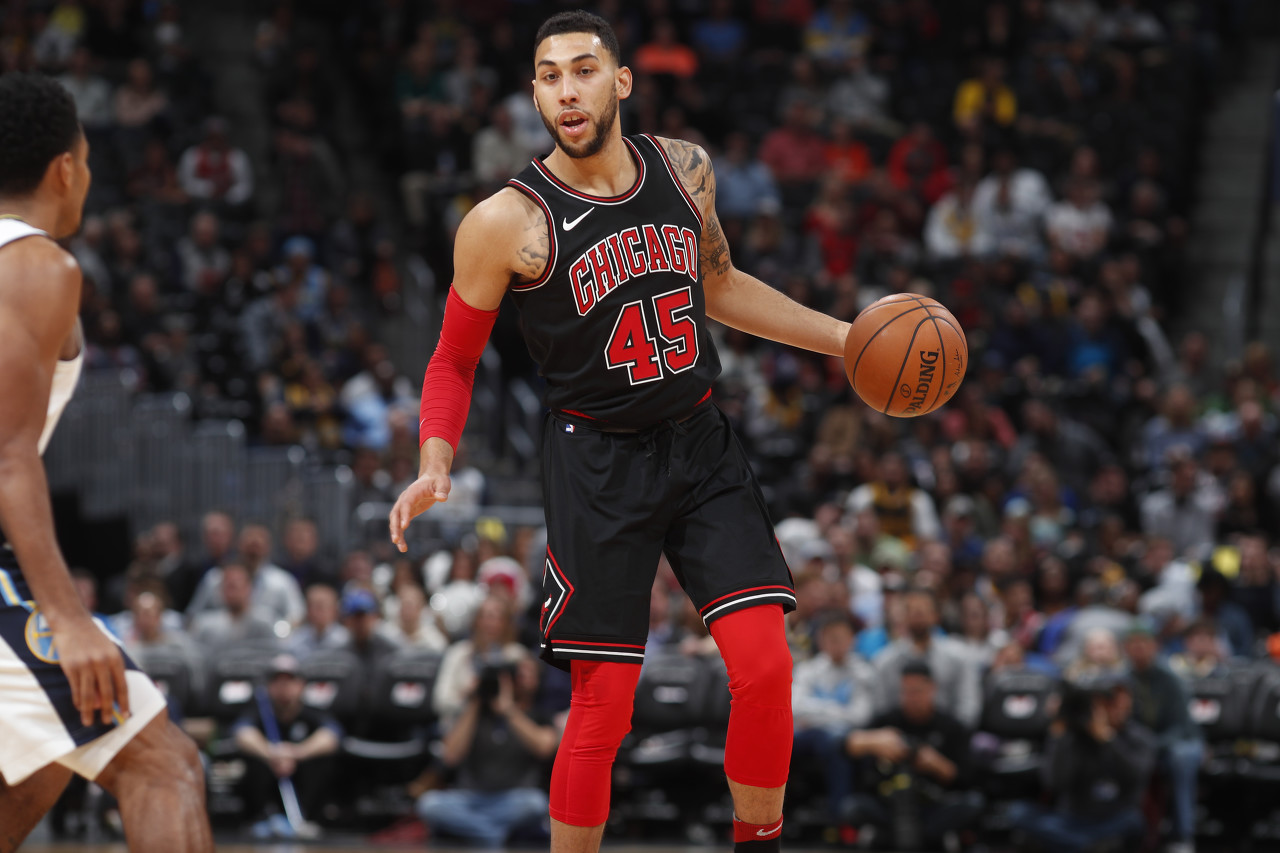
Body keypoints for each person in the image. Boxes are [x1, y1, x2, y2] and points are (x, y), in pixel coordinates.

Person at [389, 11, 854, 853]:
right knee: (604, 704)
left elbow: (722, 285)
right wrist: (435, 457)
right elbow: (452, 359)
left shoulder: (684, 168)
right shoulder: (505, 221)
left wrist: (847, 338)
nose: (567, 91)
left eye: (584, 70)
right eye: (549, 76)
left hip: (699, 439)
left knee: (766, 665)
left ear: (621, 81)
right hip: (596, 460)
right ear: (534, 94)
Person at [0, 72, 211, 852]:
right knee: (164, 764)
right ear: (65, 169)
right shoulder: (36, 265)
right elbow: (7, 453)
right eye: (87, 161)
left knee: (42, 765)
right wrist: (67, 616)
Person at [414, 656, 559, 846]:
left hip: (513, 799)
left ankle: (477, 832)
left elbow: (545, 748)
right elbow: (450, 755)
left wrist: (509, 710)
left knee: (536, 803)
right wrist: (475, 700)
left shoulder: (539, 714)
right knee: (430, 804)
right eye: (519, 673)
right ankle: (492, 834)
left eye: (528, 674)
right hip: (470, 799)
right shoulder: (475, 713)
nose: (521, 679)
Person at [843, 661, 983, 850]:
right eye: (906, 691)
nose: (912, 698)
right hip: (890, 802)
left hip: (932, 804)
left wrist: (937, 765)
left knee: (973, 803)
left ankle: (916, 836)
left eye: (917, 691)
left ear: (932, 689)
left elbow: (968, 777)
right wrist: (873, 741)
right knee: (853, 806)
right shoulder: (887, 723)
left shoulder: (950, 726)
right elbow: (844, 746)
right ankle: (900, 835)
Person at [1007, 675, 1156, 853]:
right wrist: (1058, 733)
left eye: (1118, 702)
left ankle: (1074, 845)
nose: (1113, 708)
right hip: (1071, 821)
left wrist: (1107, 738)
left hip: (1111, 819)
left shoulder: (1139, 738)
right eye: (1101, 703)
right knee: (1018, 812)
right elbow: (1054, 783)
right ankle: (1084, 846)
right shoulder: (1073, 737)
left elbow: (1137, 775)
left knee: (1134, 821)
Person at [232, 653, 340, 833]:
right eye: (277, 681)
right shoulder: (260, 710)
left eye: (290, 681)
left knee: (321, 763)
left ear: (301, 685)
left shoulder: (313, 710)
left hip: (300, 778)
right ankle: (263, 817)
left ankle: (310, 819)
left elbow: (332, 736)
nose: (284, 687)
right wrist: (272, 754)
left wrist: (296, 753)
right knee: (252, 762)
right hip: (271, 772)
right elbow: (242, 734)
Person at [1124, 620, 1203, 853]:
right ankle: (1129, 832)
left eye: (1144, 643)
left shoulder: (1171, 678)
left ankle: (1182, 835)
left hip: (1179, 742)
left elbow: (1181, 726)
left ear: (1155, 646)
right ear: (1125, 648)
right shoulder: (1122, 679)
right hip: (1142, 744)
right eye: (1133, 643)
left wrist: (1151, 746)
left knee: (1182, 758)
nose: (1139, 648)